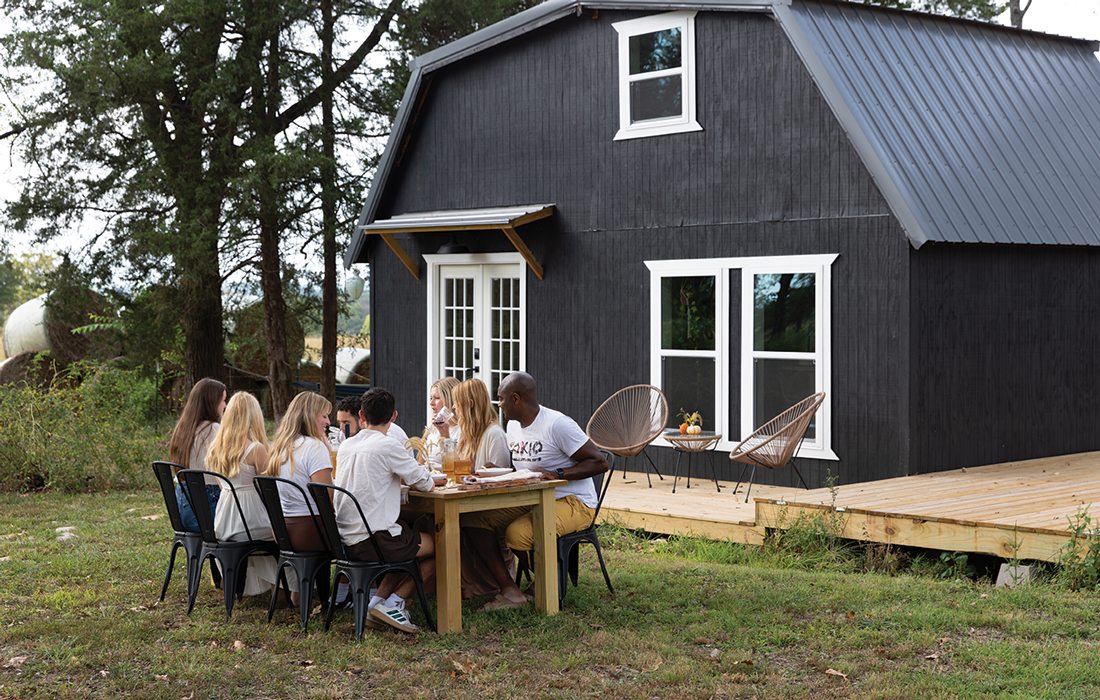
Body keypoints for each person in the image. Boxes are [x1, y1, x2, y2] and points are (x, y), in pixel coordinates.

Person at [334, 388, 436, 633]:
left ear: (361, 415)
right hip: (374, 540)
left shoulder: (347, 446)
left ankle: (377, 603)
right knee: (441, 545)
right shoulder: (388, 445)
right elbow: (425, 482)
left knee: (410, 534)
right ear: (394, 416)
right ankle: (395, 602)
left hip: (346, 538)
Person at [497, 371, 608, 578]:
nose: (499, 404)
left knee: (516, 532)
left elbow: (600, 462)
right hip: (534, 499)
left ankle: (548, 582)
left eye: (501, 398)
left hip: (575, 502)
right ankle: (502, 584)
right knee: (483, 520)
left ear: (516, 399)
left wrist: (558, 473)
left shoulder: (557, 424)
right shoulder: (512, 426)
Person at [450, 378, 529, 609]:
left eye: (457, 403)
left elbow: (502, 481)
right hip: (470, 499)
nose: (453, 408)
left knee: (465, 519)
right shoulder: (467, 434)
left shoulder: (493, 434)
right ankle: (458, 581)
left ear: (470, 403)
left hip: (492, 504)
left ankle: (497, 585)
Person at [204, 392, 278, 597]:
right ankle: (285, 588)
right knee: (286, 532)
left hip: (224, 522)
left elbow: (221, 485)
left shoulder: (216, 448)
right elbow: (269, 491)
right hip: (250, 523)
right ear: (254, 418)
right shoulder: (256, 449)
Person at [266, 391, 333, 553]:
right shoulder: (314, 447)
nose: (328, 422)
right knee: (363, 538)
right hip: (312, 530)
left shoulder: (281, 447)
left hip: (283, 530)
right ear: (310, 416)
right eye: (324, 416)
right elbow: (326, 498)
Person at [168, 378, 227, 532]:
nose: (225, 406)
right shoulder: (214, 429)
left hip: (183, 509)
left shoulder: (183, 429)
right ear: (211, 402)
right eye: (223, 400)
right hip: (207, 512)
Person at [419, 376, 460, 463]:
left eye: (437, 398)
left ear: (451, 400)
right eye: (431, 398)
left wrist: (444, 434)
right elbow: (420, 463)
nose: (431, 403)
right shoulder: (432, 429)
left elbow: (457, 466)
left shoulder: (461, 431)